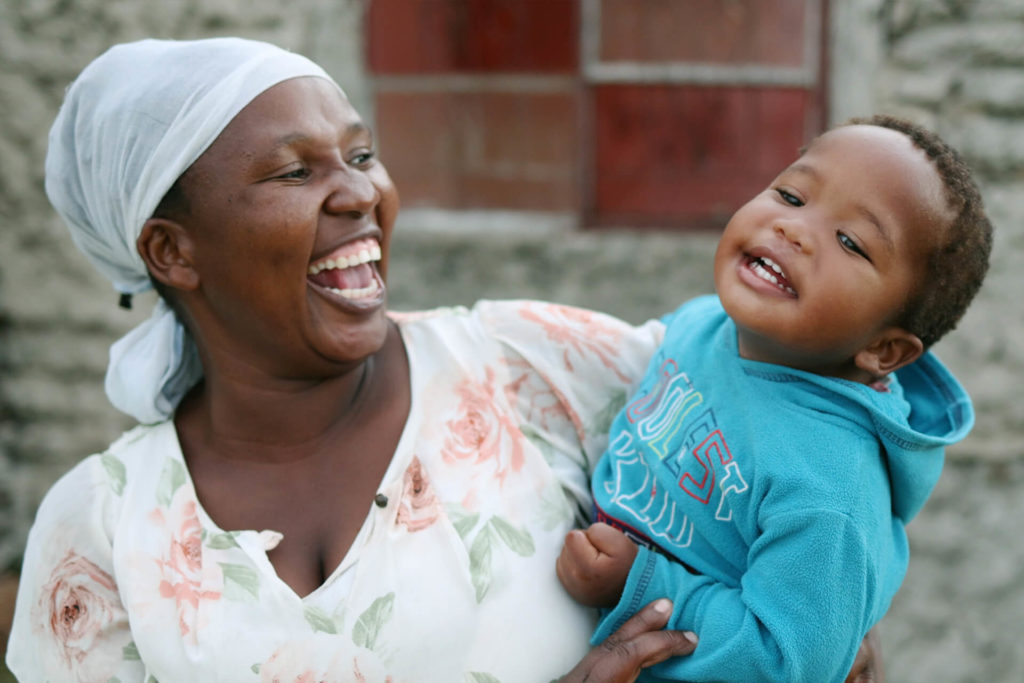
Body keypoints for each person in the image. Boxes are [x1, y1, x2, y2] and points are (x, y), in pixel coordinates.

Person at [4, 37, 879, 682]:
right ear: (172, 251)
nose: (360, 191)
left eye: (360, 153)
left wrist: (827, 626)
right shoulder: (101, 530)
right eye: (291, 173)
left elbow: (798, 413)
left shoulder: (533, 366)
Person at [556, 115, 992, 681]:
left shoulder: (829, 491)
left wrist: (640, 586)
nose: (794, 229)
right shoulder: (706, 324)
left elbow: (790, 660)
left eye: (850, 242)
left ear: (884, 351)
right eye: (791, 194)